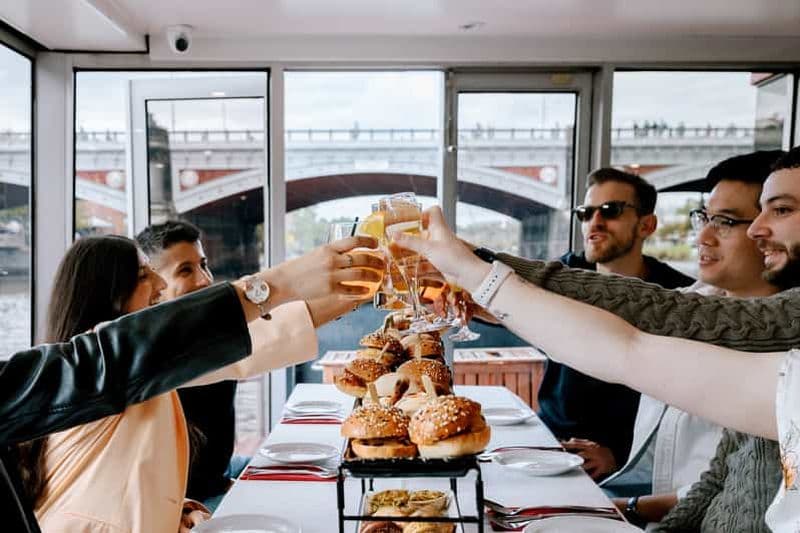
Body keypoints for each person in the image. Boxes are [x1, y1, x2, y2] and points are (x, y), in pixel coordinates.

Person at [393, 147, 800, 531]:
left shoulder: (775, 322)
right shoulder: (709, 302)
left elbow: (631, 346)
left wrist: (481, 271)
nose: (759, 230)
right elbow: (715, 480)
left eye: (781, 210)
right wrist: (486, 280)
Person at [19, 233, 382, 533]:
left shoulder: (131, 368)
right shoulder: (111, 367)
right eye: (145, 276)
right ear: (110, 293)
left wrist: (177, 509)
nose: (159, 284)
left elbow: (262, 338)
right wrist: (286, 282)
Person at [601, 151, 785, 531]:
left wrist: (627, 507)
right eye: (704, 217)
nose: (702, 236)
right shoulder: (696, 301)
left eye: (726, 222)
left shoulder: (780, 352)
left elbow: (724, 488)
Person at [136, 220, 353, 510]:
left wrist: (354, 293)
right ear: (155, 286)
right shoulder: (151, 356)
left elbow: (276, 325)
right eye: (185, 270)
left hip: (221, 477)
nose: (204, 280)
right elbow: (269, 335)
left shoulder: (209, 334)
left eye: (204, 265)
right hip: (187, 504)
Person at [541, 168, 692, 481]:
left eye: (610, 211)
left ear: (646, 225)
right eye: (585, 213)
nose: (594, 222)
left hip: (621, 468)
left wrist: (620, 454)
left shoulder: (677, 296)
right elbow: (506, 290)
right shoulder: (566, 274)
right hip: (546, 443)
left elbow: (684, 404)